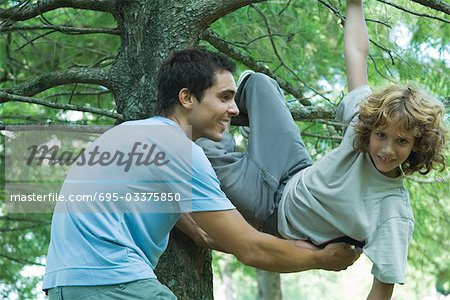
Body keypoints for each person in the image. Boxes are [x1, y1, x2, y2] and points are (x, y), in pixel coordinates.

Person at [42, 48, 361, 299]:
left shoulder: (126, 134)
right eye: (224, 97)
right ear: (187, 98)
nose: (235, 110)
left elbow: (202, 232)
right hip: (116, 283)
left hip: (62, 284)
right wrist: (320, 260)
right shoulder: (181, 151)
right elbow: (250, 248)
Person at [196, 1, 448, 299]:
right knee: (259, 84)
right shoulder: (361, 125)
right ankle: (222, 119)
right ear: (371, 129)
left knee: (201, 147)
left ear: (418, 146)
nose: (387, 149)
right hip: (291, 169)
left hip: (271, 214)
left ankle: (205, 125)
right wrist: (354, 4)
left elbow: (382, 288)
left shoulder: (392, 210)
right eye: (381, 135)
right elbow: (356, 54)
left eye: (402, 141)